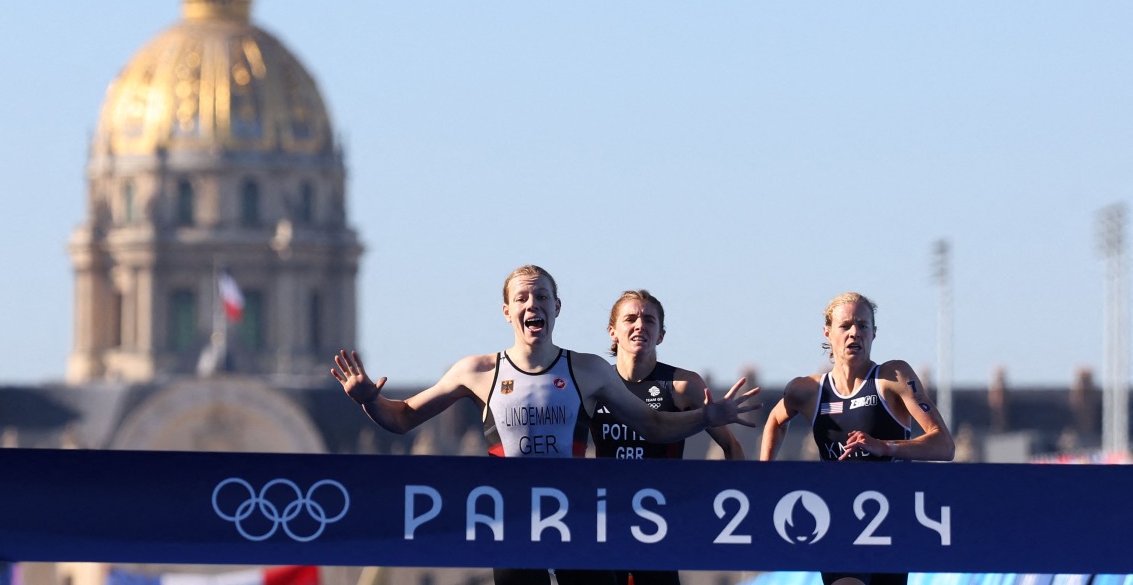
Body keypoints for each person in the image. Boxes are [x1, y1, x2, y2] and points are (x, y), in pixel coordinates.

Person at [331, 264, 761, 585]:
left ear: (557, 308)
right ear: (506, 311)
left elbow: (651, 425)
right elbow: (402, 418)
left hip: (577, 520)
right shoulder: (477, 370)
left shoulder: (589, 370)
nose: (532, 305)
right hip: (512, 522)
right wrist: (370, 400)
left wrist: (706, 416)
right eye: (522, 298)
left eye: (541, 298)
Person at [758, 291, 955, 585]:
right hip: (837, 515)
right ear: (827, 332)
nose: (854, 333)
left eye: (862, 326)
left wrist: (883, 446)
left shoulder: (892, 377)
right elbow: (775, 420)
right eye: (845, 326)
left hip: (892, 517)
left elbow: (944, 445)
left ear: (874, 333)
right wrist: (764, 475)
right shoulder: (806, 390)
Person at [590, 289, 745, 585]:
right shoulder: (594, 385)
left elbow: (731, 446)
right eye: (631, 318)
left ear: (660, 334)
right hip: (607, 518)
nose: (640, 326)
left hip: (658, 521)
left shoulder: (682, 385)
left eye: (649, 320)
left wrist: (733, 505)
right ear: (613, 332)